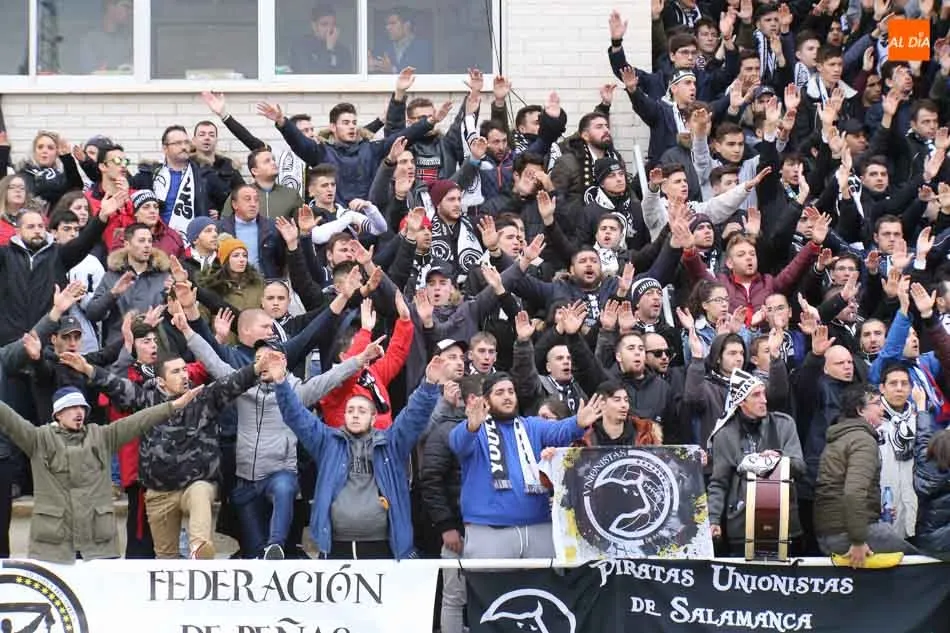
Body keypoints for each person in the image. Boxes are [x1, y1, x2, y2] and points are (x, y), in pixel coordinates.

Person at [269, 349, 447, 559]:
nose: (355, 415)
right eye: (350, 410)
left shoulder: (391, 443)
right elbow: (296, 416)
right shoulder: (327, 442)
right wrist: (281, 383)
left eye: (362, 411)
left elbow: (413, 417)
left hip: (383, 548)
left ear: (374, 418)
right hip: (335, 547)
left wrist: (429, 385)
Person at [0, 384, 202, 563]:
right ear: (58, 414)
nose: (78, 412)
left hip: (97, 545)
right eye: (71, 407)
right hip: (53, 547)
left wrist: (173, 406)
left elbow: (138, 421)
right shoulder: (38, 439)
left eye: (82, 408)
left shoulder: (102, 436)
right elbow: (9, 419)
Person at [450, 373, 603, 558]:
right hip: (490, 531)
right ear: (486, 400)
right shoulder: (475, 430)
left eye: (511, 391)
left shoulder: (532, 426)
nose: (507, 396)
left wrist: (577, 423)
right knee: (492, 579)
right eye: (499, 392)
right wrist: (471, 427)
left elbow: (559, 430)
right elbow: (458, 443)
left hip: (538, 527)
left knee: (543, 578)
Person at [814, 384, 919, 566]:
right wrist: (858, 540)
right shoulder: (862, 440)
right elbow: (853, 492)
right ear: (860, 410)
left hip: (830, 532)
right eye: (877, 403)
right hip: (846, 534)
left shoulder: (842, 436)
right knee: (926, 563)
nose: (882, 408)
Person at [706, 368, 805, 555]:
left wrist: (778, 459)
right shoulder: (725, 434)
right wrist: (714, 520)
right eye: (756, 395)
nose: (764, 400)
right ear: (741, 401)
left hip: (785, 523)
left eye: (764, 394)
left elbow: (800, 467)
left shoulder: (784, 424)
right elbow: (719, 483)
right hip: (741, 527)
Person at [289, 4, 355, 74]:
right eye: (324, 24)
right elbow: (312, 75)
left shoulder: (343, 52)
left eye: (333, 24)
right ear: (314, 26)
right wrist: (329, 50)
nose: (330, 29)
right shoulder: (301, 47)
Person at [369, 8, 433, 74]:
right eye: (387, 24)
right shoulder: (383, 47)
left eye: (393, 23)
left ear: (407, 25)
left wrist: (393, 70)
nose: (387, 27)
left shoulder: (423, 47)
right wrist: (370, 68)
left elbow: (424, 75)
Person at [78, 0, 134, 74]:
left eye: (132, 8)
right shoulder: (90, 40)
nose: (131, 12)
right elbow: (89, 74)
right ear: (110, 6)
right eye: (126, 7)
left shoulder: (131, 39)